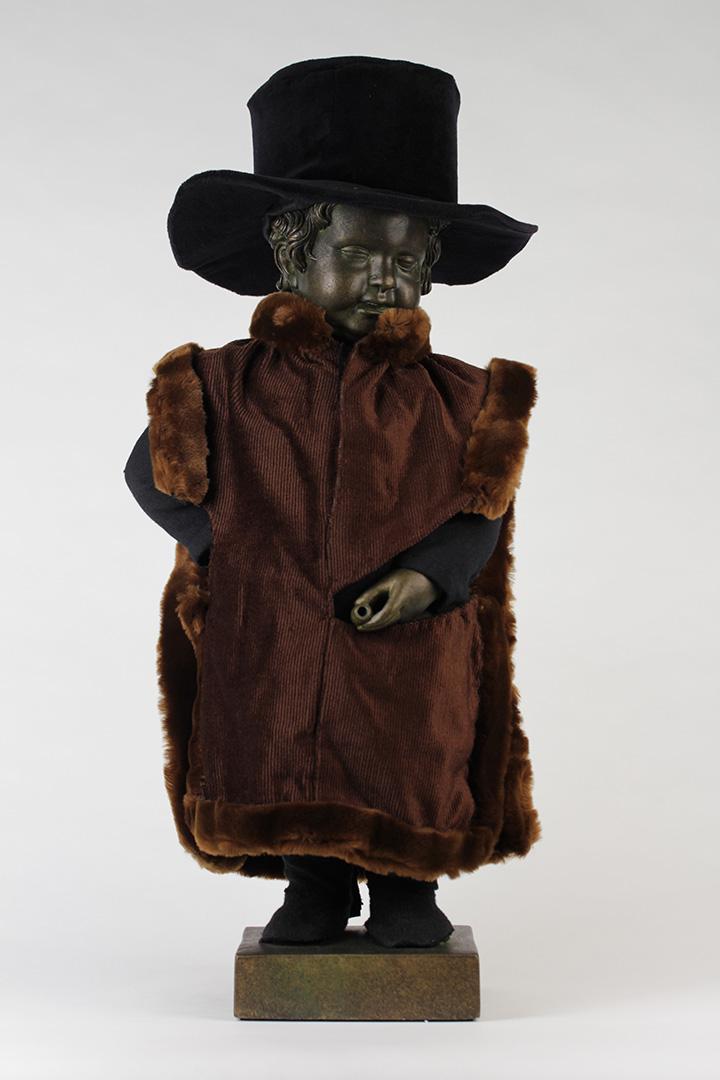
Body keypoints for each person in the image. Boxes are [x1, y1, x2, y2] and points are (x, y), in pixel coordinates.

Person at [125, 57, 540, 949]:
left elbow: (485, 507)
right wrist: (228, 548)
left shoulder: (463, 398)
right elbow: (150, 473)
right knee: (280, 743)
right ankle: (311, 890)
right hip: (268, 627)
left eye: (404, 259)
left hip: (411, 641)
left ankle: (406, 893)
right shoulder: (222, 385)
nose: (383, 279)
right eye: (355, 255)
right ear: (292, 254)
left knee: (410, 750)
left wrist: (430, 579)